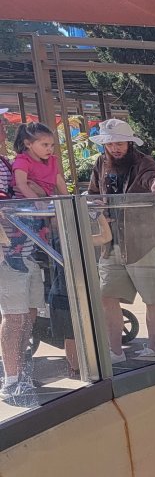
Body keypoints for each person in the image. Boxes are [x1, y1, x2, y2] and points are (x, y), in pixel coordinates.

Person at [88, 119, 155, 362]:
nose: (115, 148)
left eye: (120, 143)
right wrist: (98, 208)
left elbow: (152, 177)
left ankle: (153, 348)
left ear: (129, 143)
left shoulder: (143, 161)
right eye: (110, 144)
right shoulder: (100, 163)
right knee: (106, 296)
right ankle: (115, 352)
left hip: (145, 242)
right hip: (111, 242)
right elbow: (93, 194)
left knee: (152, 298)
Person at [5, 123, 65, 402]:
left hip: (36, 230)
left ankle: (21, 373)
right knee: (16, 316)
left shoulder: (49, 162)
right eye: (45, 144)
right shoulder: (20, 161)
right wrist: (39, 201)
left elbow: (58, 186)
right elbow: (19, 187)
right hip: (20, 227)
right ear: (29, 144)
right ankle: (12, 378)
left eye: (51, 145)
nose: (50, 149)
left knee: (28, 315)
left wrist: (56, 203)